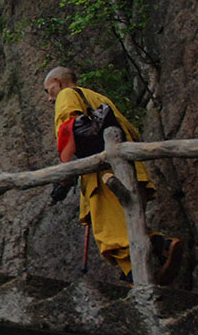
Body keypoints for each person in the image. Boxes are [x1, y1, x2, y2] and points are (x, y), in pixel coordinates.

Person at [43, 66, 182, 284]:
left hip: (105, 174)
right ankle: (148, 267)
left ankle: (152, 260)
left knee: (111, 236)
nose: (49, 99)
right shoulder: (98, 97)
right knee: (127, 225)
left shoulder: (67, 95)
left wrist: (64, 177)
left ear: (58, 82)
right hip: (129, 167)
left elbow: (69, 134)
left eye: (47, 90)